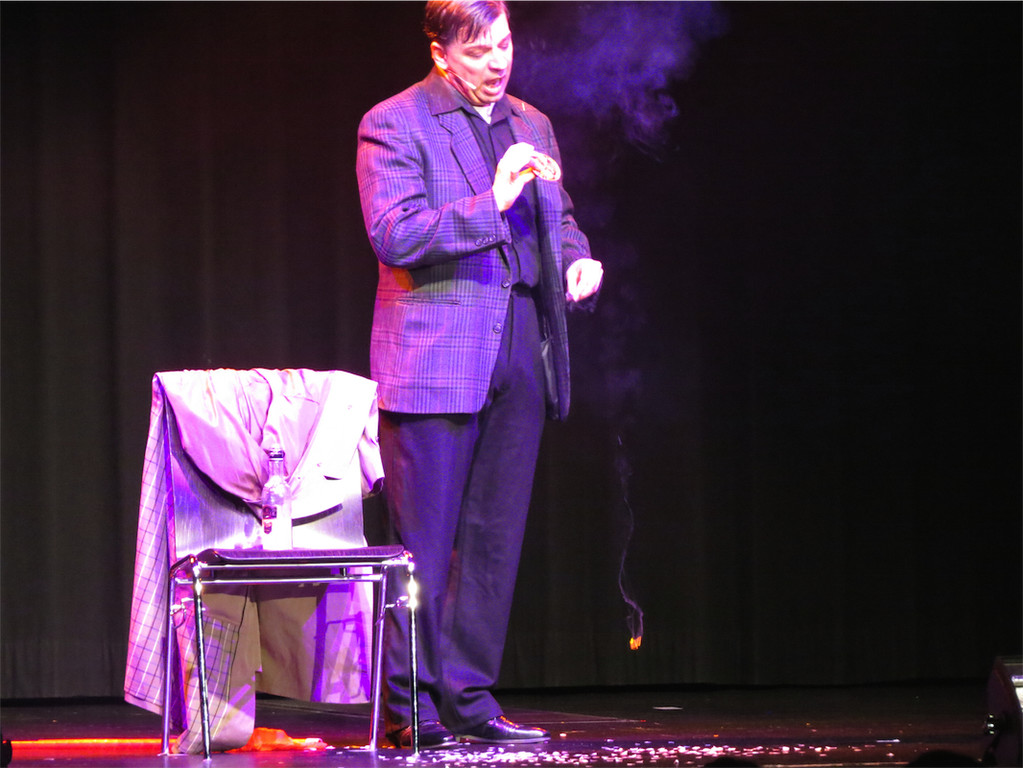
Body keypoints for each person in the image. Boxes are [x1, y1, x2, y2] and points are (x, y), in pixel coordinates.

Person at [356, 0, 604, 749]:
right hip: (438, 351)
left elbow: (559, 216)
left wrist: (576, 257)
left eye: (504, 44)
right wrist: (490, 200)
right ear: (441, 52)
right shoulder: (395, 122)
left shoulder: (532, 122)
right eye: (478, 51)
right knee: (424, 543)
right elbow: (395, 232)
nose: (498, 62)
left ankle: (468, 697)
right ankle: (411, 706)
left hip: (520, 342)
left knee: (493, 537)